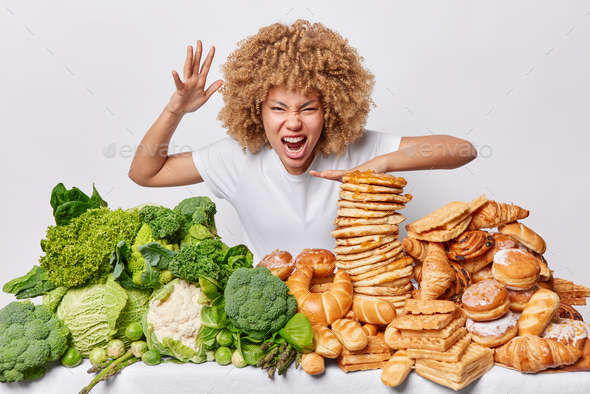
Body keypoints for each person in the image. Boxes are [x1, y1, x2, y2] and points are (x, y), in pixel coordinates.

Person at [129, 20, 476, 261]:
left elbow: (462, 149)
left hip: (353, 319)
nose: (293, 122)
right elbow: (145, 173)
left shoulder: (355, 148)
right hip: (268, 323)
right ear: (256, 110)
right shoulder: (235, 158)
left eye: (308, 108)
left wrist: (381, 164)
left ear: (330, 110)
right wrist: (174, 110)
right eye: (278, 108)